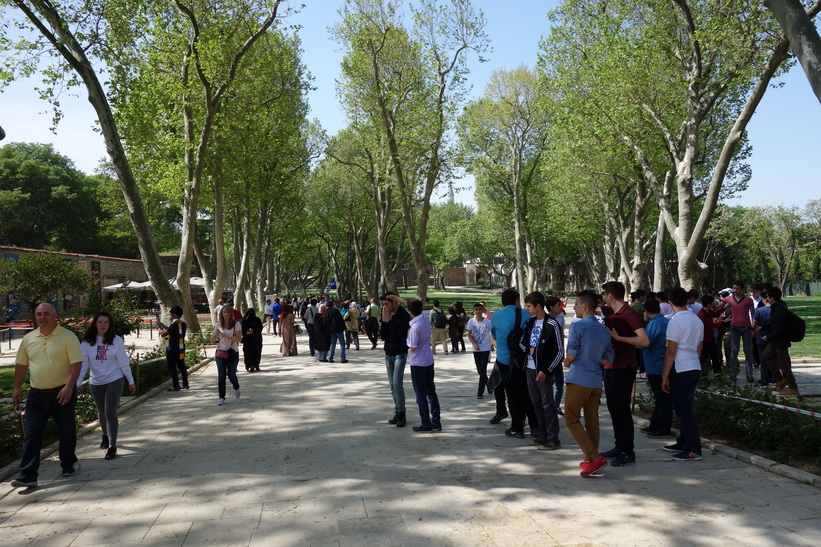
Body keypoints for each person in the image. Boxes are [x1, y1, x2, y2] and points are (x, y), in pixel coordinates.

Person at [11, 303, 84, 488]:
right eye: (39, 314)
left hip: (62, 393)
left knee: (66, 431)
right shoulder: (28, 339)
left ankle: (67, 463)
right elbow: (21, 365)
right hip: (36, 395)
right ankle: (27, 475)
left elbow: (76, 364)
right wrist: (17, 387)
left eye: (46, 314)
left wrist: (69, 387)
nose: (42, 317)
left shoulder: (68, 337)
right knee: (32, 434)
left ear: (54, 315)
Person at [563, 292, 615, 477]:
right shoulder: (603, 330)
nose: (575, 307)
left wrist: (566, 361)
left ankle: (593, 457)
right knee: (592, 419)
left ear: (584, 306)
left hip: (579, 379)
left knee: (571, 418)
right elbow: (609, 357)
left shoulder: (577, 327)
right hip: (595, 381)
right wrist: (592, 359)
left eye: (576, 304)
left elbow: (571, 356)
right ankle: (591, 459)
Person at [76, 311, 135, 460]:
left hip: (114, 379)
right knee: (101, 412)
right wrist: (77, 383)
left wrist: (131, 380)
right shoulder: (86, 342)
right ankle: (105, 435)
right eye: (100, 322)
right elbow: (83, 365)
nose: (103, 325)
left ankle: (112, 447)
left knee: (110, 411)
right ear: (95, 324)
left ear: (110, 325)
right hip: (96, 382)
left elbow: (123, 362)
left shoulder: (116, 341)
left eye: (106, 322)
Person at [601, 281, 649, 467]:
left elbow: (644, 340)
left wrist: (620, 338)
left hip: (624, 367)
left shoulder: (628, 314)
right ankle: (619, 445)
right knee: (613, 409)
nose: (603, 298)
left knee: (622, 410)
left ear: (610, 296)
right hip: (610, 367)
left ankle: (628, 451)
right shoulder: (612, 314)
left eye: (605, 295)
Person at [661, 287, 704, 461]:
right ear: (687, 300)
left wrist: (665, 375)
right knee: (686, 407)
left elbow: (671, 351)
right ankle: (683, 442)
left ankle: (694, 449)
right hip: (693, 365)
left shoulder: (674, 321)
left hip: (680, 368)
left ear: (670, 303)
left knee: (684, 410)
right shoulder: (696, 320)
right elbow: (699, 347)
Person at [519, 291, 563, 451]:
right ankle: (542, 434)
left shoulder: (552, 324)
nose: (527, 309)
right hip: (529, 369)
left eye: (529, 306)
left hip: (543, 372)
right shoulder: (530, 323)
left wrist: (546, 370)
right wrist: (529, 349)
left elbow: (559, 352)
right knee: (536, 404)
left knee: (547, 404)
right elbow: (522, 343)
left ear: (539, 306)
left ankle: (553, 438)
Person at [489, 289, 536, 438]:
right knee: (527, 392)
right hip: (524, 360)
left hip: (504, 360)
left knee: (512, 394)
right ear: (517, 301)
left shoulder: (496, 315)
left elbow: (495, 335)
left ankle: (517, 427)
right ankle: (535, 425)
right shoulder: (525, 314)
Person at [406, 299, 442, 432]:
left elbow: (413, 347)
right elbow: (413, 307)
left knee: (420, 394)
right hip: (428, 360)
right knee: (431, 391)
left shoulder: (414, 327)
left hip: (418, 363)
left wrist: (407, 340)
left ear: (409, 311)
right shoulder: (425, 319)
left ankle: (425, 422)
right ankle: (436, 421)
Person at [638, 299, 672, 437]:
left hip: (655, 364)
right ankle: (655, 424)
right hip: (662, 363)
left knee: (662, 398)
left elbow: (644, 343)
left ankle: (664, 428)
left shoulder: (654, 324)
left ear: (646, 312)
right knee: (660, 398)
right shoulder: (666, 321)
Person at [380, 292, 410, 428]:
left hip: (400, 353)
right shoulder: (386, 315)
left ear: (395, 302)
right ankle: (397, 411)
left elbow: (401, 335)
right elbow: (383, 336)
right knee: (392, 386)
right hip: (388, 353)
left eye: (387, 304)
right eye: (383, 305)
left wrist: (390, 321)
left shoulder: (403, 315)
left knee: (398, 384)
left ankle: (402, 413)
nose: (385, 307)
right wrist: (384, 323)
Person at [762, 287, 800, 396]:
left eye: (768, 296)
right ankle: (780, 379)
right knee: (766, 355)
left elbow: (780, 328)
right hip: (776, 340)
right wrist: (763, 327)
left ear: (772, 298)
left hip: (780, 341)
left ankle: (793, 387)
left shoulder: (779, 310)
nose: (766, 298)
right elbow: (774, 323)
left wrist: (768, 337)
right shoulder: (777, 307)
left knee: (783, 364)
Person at [722, 280, 756, 383]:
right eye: (734, 288)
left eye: (737, 288)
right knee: (734, 350)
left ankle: (749, 373)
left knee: (748, 351)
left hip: (746, 327)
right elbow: (720, 306)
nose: (735, 290)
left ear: (742, 290)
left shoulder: (748, 300)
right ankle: (733, 373)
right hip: (734, 327)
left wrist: (753, 328)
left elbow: (753, 314)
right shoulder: (729, 299)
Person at [211, 305, 242, 406]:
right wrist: (214, 335)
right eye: (224, 312)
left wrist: (227, 336)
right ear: (221, 314)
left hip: (232, 352)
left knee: (232, 375)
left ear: (231, 313)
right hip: (221, 353)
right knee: (221, 375)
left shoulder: (236, 324)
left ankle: (236, 387)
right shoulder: (218, 325)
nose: (226, 314)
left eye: (228, 312)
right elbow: (212, 340)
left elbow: (238, 339)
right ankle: (221, 397)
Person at [158, 306, 188, 391]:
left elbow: (164, 334)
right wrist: (164, 326)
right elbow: (172, 331)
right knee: (182, 366)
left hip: (172, 349)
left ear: (175, 314)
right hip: (181, 348)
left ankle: (176, 386)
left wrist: (158, 328)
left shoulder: (174, 325)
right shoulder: (183, 323)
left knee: (172, 367)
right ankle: (185, 384)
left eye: (172, 314)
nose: (171, 316)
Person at [467, 302, 493, 398]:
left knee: (483, 370)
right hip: (476, 349)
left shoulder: (487, 322)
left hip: (485, 348)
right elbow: (469, 334)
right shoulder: (471, 321)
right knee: (480, 370)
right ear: (473, 311)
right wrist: (474, 344)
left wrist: (492, 344)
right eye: (476, 309)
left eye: (479, 309)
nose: (478, 311)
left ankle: (480, 392)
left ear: (483, 310)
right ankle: (490, 385)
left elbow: (491, 334)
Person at [546, 296, 566, 415]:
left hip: (557, 355)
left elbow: (562, 335)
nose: (561, 307)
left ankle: (556, 405)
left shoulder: (560, 318)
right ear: (551, 307)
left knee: (559, 382)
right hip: (547, 356)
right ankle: (548, 405)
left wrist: (562, 352)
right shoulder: (544, 319)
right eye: (558, 305)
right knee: (549, 382)